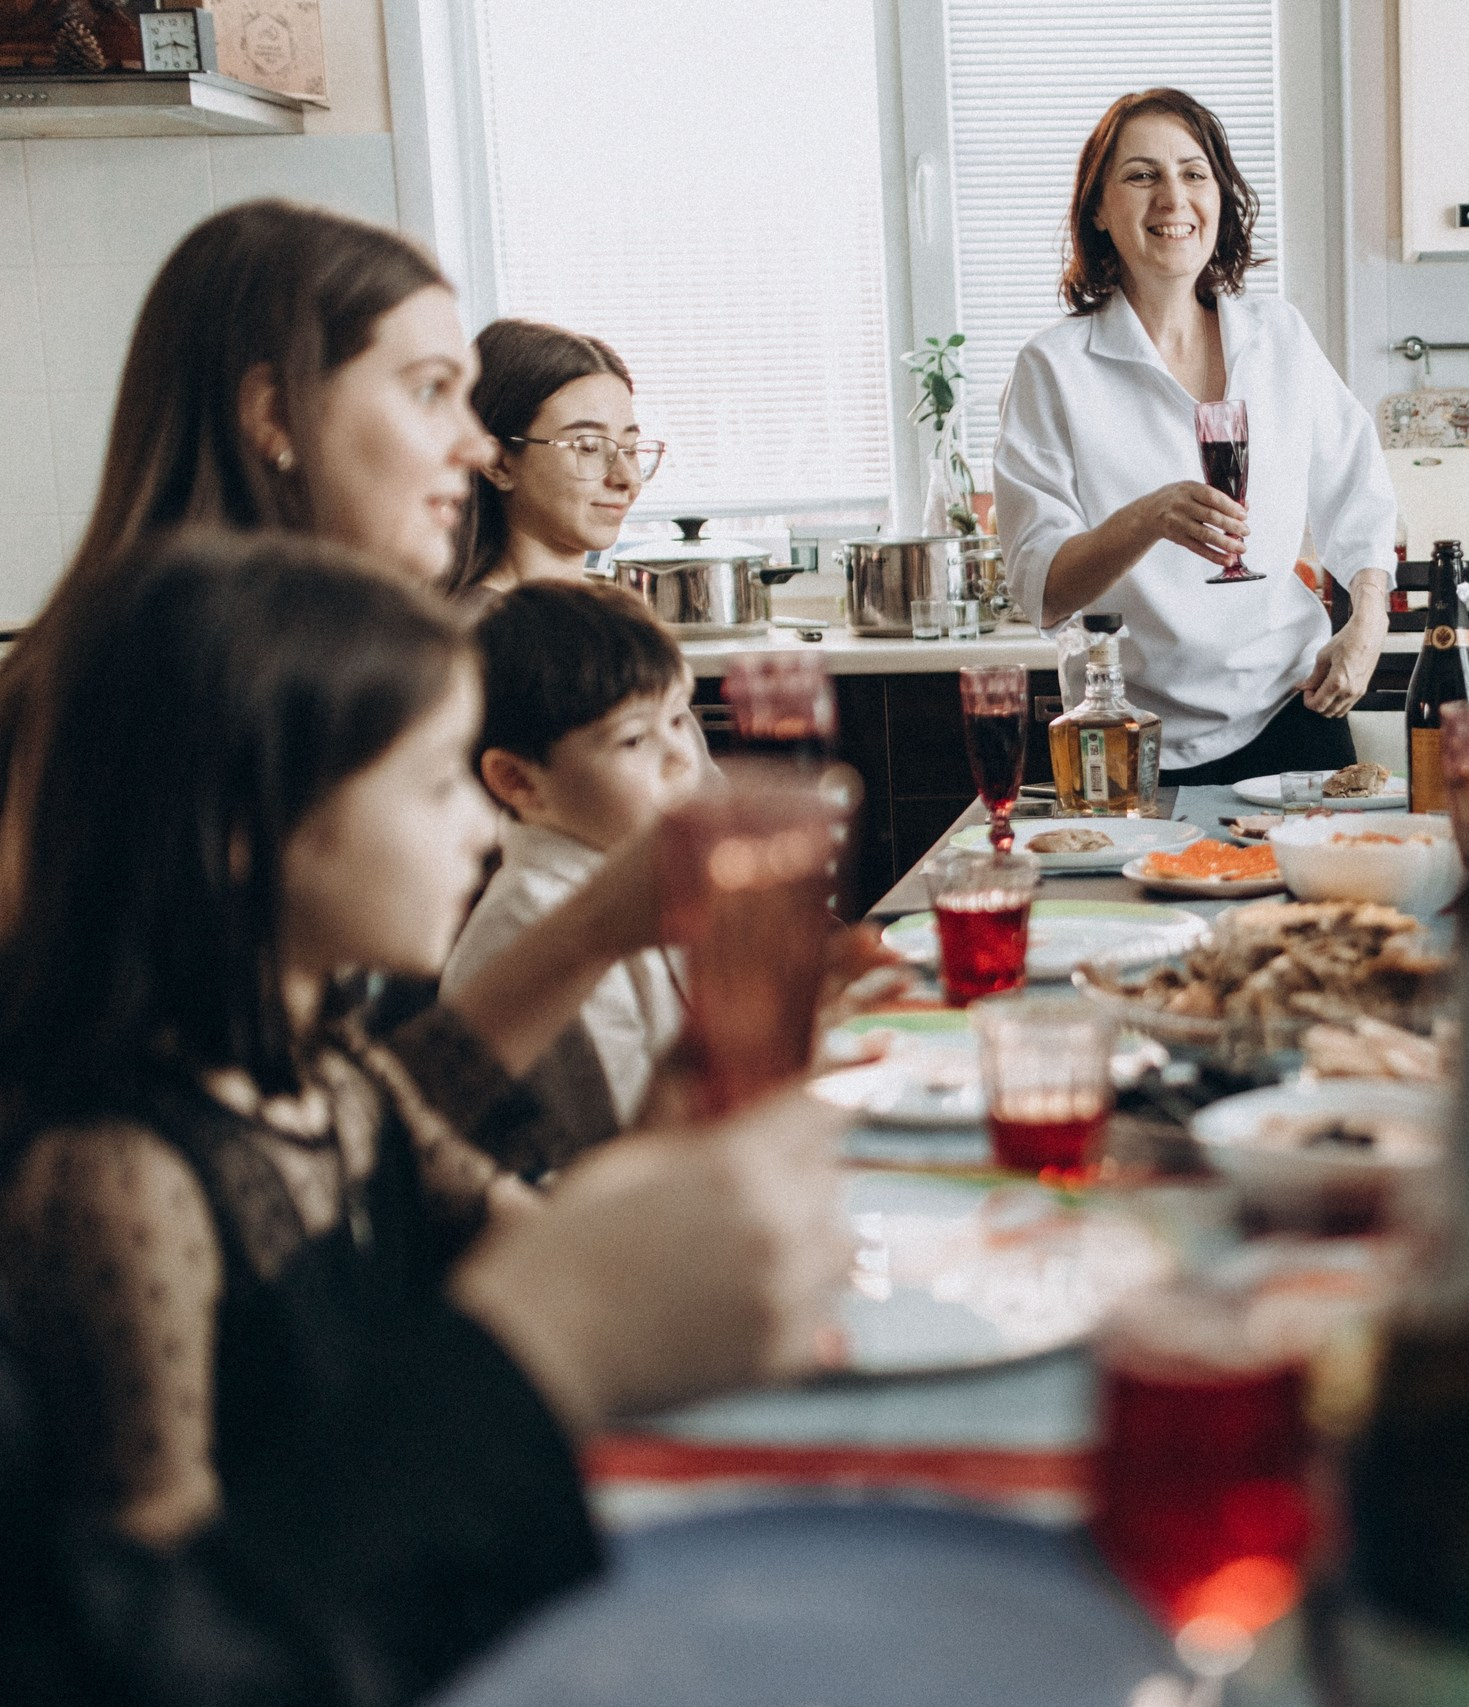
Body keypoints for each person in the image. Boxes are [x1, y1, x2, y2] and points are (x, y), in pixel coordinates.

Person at [0, 532, 856, 1705]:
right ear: (250, 828)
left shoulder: (336, 1075)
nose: (485, 826)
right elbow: (177, 1634)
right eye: (436, 780)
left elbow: (535, 1229)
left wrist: (692, 1107)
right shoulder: (118, 1177)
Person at [0, 198, 493, 918]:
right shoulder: (153, 706)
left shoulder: (321, 668)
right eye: (429, 390)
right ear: (275, 415)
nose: (476, 444)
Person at [994, 88, 1399, 785]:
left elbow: (1359, 492)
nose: (1172, 198)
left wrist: (1367, 623)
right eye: (1141, 175)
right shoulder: (1053, 370)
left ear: (1221, 196)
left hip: (1293, 717)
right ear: (1098, 208)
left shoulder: (1280, 338)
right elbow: (1043, 588)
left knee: (1329, 900)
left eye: (1193, 172)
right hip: (1132, 744)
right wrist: (1147, 519)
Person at [446, 581, 703, 1167]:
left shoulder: (640, 868)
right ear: (520, 783)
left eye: (679, 718)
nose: (680, 756)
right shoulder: (534, 923)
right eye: (634, 738)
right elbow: (622, 1155)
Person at [448, 319, 663, 604]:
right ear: (497, 464)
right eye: (588, 447)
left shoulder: (610, 611)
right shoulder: (479, 631)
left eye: (631, 449)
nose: (627, 479)